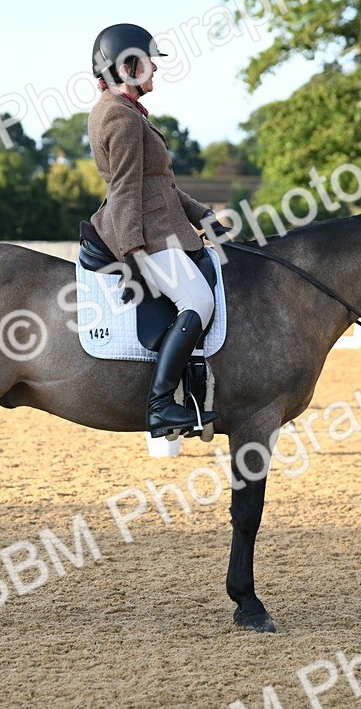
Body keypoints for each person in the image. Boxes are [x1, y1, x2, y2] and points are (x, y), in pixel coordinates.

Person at [87, 23, 226, 438]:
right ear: (128, 67)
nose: (155, 72)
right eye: (148, 64)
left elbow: (159, 185)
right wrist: (134, 253)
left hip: (160, 226)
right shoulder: (120, 118)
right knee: (198, 301)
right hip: (146, 235)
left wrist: (205, 218)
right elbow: (126, 189)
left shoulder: (128, 113)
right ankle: (161, 405)